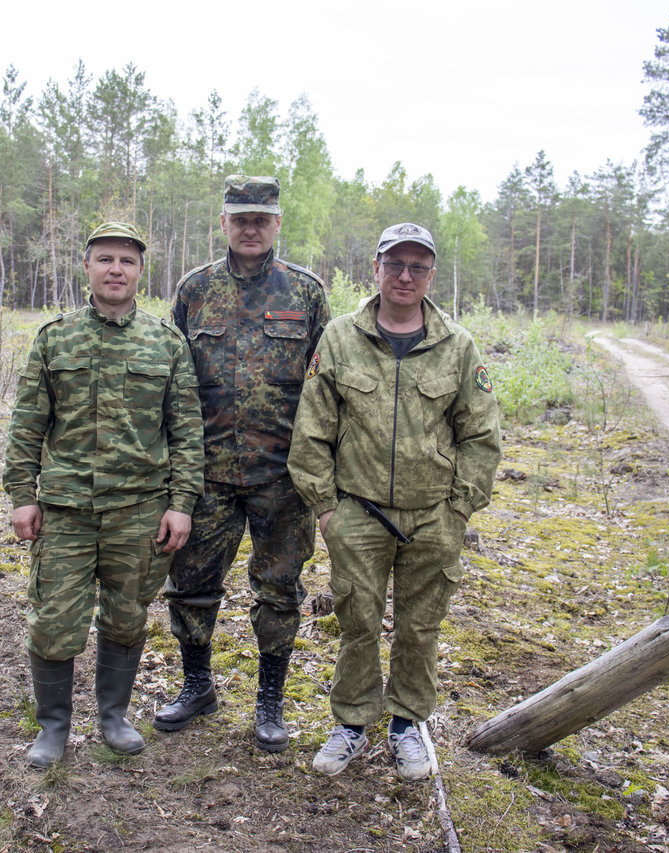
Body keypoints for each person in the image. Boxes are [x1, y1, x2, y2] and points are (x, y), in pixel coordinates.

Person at [287, 222, 501, 781]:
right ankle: (352, 722)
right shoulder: (338, 337)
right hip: (356, 512)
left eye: (418, 267)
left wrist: (459, 510)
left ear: (430, 275)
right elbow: (311, 431)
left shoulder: (457, 345)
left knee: (420, 625)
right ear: (376, 269)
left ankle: (408, 722)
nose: (405, 276)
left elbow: (480, 437)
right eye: (395, 264)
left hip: (433, 514)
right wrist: (327, 508)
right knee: (357, 620)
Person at [3, 221, 204, 768]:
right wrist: (23, 495)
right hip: (66, 511)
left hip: (139, 511)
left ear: (141, 271)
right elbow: (27, 426)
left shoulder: (166, 343)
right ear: (87, 266)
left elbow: (186, 431)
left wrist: (181, 503)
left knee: (125, 617)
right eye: (105, 259)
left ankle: (113, 717)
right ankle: (53, 727)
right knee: (53, 620)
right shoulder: (55, 338)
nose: (116, 269)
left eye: (127, 261)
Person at [156, 175, 330, 753]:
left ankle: (270, 700)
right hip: (206, 475)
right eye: (240, 219)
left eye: (262, 218)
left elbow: (327, 386)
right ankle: (198, 685)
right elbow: (171, 380)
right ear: (224, 223)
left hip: (283, 478)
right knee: (191, 584)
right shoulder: (194, 289)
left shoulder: (305, 292)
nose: (251, 228)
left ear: (277, 223)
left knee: (279, 589)